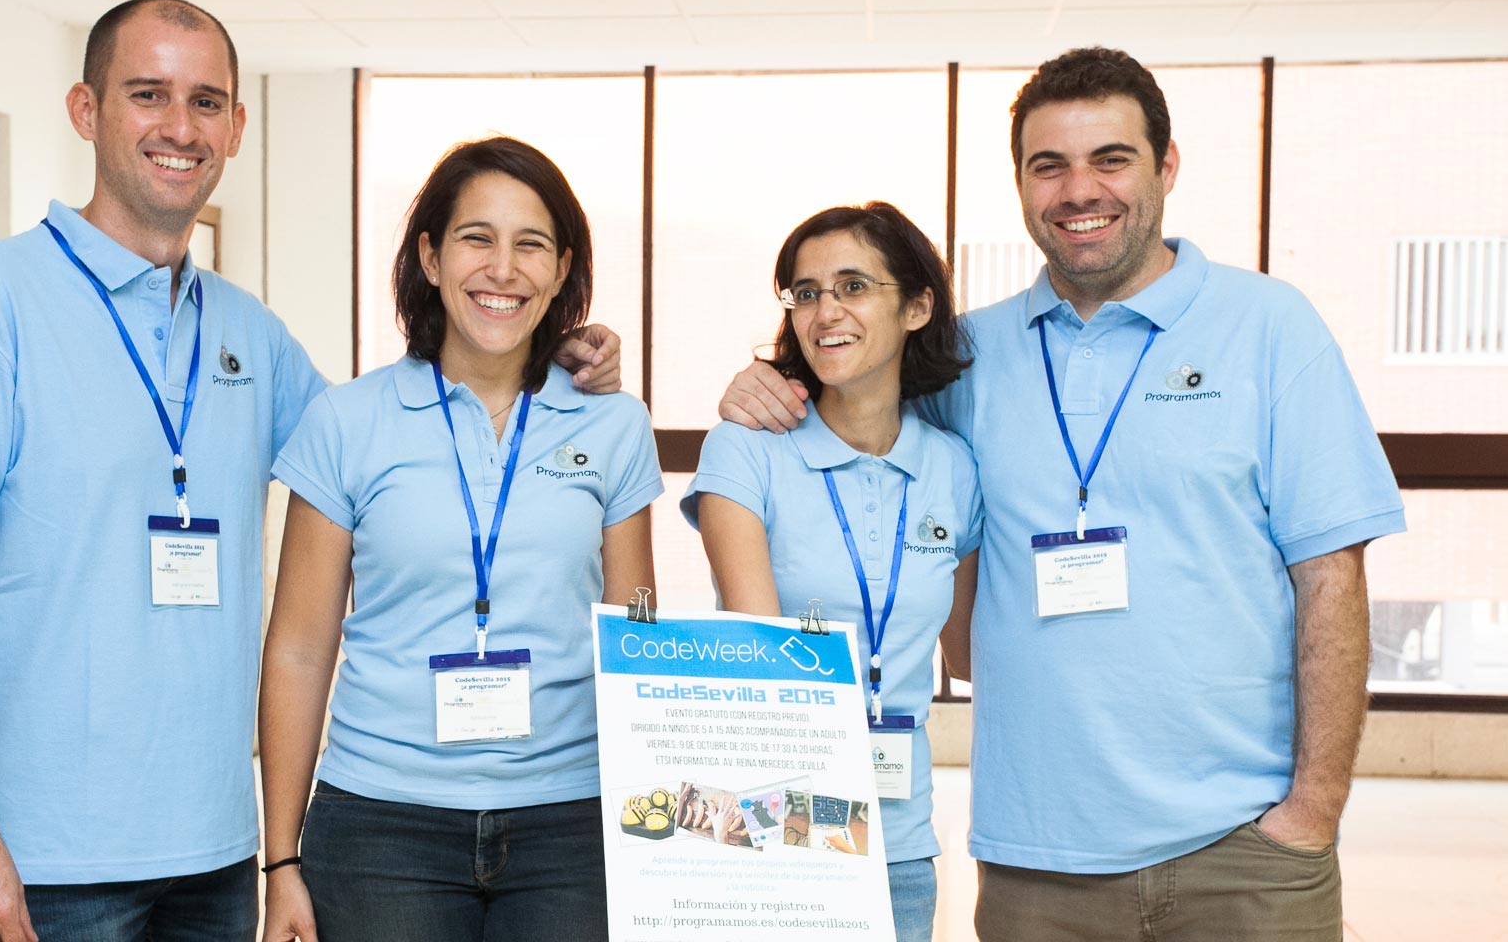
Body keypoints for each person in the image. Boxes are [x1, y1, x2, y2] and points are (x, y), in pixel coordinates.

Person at [0, 0, 624, 942]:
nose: (179, 127)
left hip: (216, 857)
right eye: (147, 95)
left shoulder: (248, 335)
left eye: (206, 102)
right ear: (84, 108)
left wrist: (566, 371)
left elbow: (406, 446)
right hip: (43, 863)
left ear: (237, 126)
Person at [717, 47, 1403, 941]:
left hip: (1244, 853)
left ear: (1166, 166)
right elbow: (852, 386)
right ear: (1021, 185)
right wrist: (753, 387)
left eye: (1110, 159)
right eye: (1050, 166)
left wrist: (1310, 815)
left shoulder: (1270, 327)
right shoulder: (967, 355)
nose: (1081, 189)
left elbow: (1333, 578)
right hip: (1036, 863)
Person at [258, 136, 663, 942]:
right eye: (477, 238)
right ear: (431, 257)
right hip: (381, 825)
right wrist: (280, 863)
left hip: (571, 823)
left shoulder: (613, 425)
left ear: (561, 269)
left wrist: (661, 846)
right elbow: (300, 649)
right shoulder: (347, 421)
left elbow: (636, 637)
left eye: (531, 245)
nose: (503, 269)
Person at [682, 203, 980, 941]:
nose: (825, 312)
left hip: (901, 849)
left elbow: (968, 653)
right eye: (806, 292)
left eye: (852, 286)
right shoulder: (746, 450)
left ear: (916, 306)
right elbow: (764, 660)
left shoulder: (954, 469)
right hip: (768, 832)